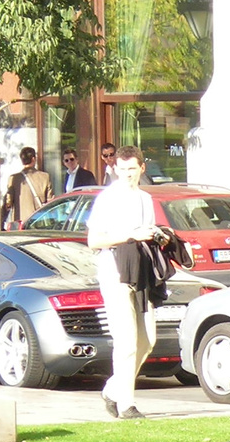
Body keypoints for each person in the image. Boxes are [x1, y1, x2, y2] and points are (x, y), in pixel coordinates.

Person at [87, 146, 162, 420]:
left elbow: (147, 235)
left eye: (132, 169)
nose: (127, 174)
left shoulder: (145, 198)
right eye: (122, 169)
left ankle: (113, 390)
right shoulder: (108, 199)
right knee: (127, 340)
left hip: (141, 273)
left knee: (148, 340)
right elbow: (94, 241)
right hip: (115, 272)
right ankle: (126, 405)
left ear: (142, 168)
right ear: (115, 169)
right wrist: (131, 235)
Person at [0, 147, 51, 230]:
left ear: (22, 160)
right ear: (34, 159)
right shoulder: (45, 177)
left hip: (20, 224)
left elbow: (8, 203)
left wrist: (2, 222)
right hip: (40, 223)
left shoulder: (14, 178)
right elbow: (51, 201)